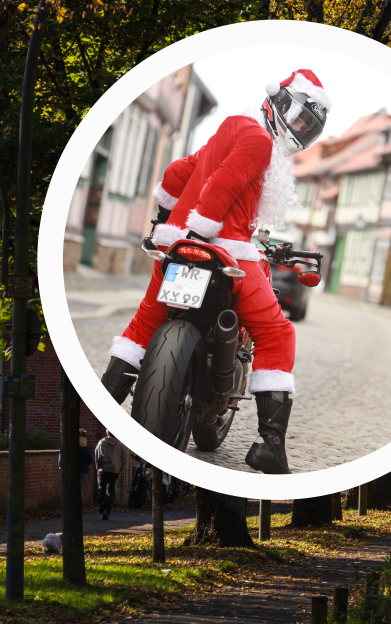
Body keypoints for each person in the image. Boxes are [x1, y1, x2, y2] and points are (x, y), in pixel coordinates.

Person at [98, 70, 331, 475]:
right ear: (279, 101)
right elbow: (223, 184)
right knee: (277, 333)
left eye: (306, 127)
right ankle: (271, 444)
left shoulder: (233, 126)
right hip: (229, 252)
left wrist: (165, 223)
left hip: (176, 246)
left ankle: (97, 418)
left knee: (142, 326)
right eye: (297, 118)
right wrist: (202, 230)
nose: (297, 130)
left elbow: (179, 172)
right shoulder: (259, 140)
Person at [94, 429, 126, 520]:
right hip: (114, 470)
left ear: (107, 433)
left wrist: (98, 468)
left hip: (103, 470)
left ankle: (103, 506)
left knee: (101, 489)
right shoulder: (120, 445)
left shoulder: (101, 442)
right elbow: (125, 458)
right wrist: (120, 470)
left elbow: (97, 457)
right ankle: (106, 509)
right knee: (111, 490)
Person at [57, 428, 94, 502]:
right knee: (79, 489)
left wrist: (60, 466)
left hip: (71, 470)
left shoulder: (69, 446)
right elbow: (90, 462)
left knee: (69, 489)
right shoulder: (86, 448)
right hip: (83, 470)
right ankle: (76, 504)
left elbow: (62, 457)